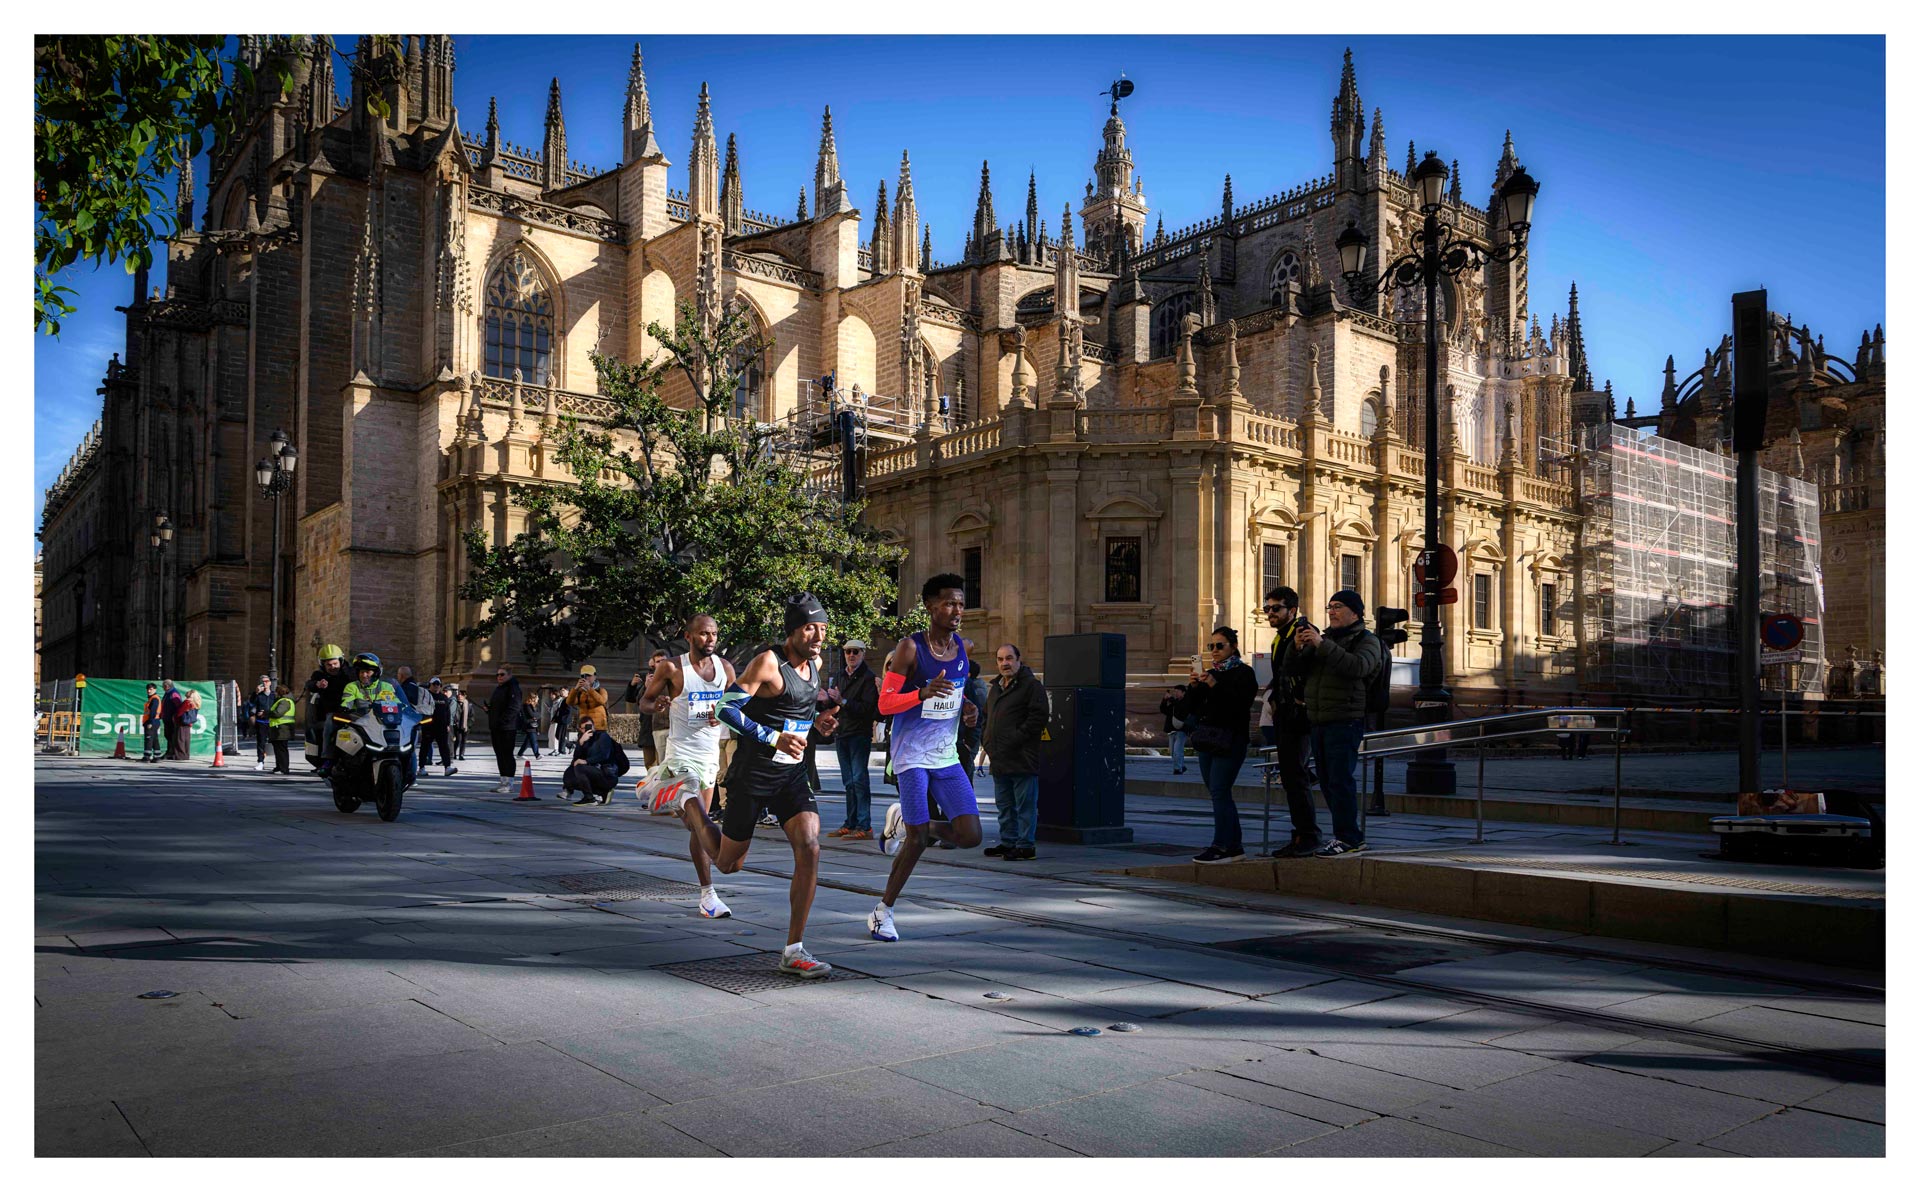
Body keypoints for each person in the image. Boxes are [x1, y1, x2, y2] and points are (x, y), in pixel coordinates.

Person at [657, 593, 840, 977]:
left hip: (790, 775)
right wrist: (774, 739)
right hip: (752, 775)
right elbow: (725, 709)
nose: (818, 635)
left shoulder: (816, 664)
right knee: (728, 863)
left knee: (810, 845)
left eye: (822, 628)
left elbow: (795, 716)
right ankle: (691, 802)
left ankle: (794, 950)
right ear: (792, 630)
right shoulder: (768, 663)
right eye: (810, 627)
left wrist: (817, 725)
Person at [868, 574, 986, 942]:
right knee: (917, 843)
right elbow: (885, 704)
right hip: (911, 755)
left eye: (961, 604)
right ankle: (882, 911)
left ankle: (904, 823)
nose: (957, 610)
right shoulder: (909, 649)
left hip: (945, 755)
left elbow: (955, 693)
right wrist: (920, 693)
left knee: (970, 836)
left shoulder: (963, 648)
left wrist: (967, 709)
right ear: (930, 607)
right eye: (949, 603)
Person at [639, 614, 737, 918]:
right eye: (704, 634)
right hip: (681, 755)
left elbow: (738, 702)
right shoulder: (671, 667)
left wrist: (722, 713)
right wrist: (656, 705)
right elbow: (645, 700)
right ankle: (719, 869)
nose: (710, 639)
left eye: (714, 634)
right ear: (689, 636)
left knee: (698, 825)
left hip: (709, 758)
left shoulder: (726, 668)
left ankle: (707, 895)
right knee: (698, 815)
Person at [1283, 589, 1386, 857]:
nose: (1331, 611)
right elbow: (1292, 670)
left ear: (1355, 611)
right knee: (1328, 783)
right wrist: (1296, 647)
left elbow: (1358, 668)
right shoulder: (1325, 640)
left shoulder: (1367, 640)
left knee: (1340, 781)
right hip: (1318, 719)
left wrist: (1321, 644)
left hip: (1345, 720)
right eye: (1329, 606)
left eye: (1338, 606)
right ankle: (1343, 836)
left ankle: (1350, 838)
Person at [1175, 626, 1259, 864]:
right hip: (1207, 741)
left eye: (1220, 645)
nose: (1214, 651)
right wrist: (1192, 688)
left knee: (1220, 791)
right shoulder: (1208, 675)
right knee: (1217, 793)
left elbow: (1239, 706)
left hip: (1231, 740)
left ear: (1233, 646)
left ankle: (1221, 845)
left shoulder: (1244, 673)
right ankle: (1234, 846)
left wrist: (1214, 684)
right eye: (1211, 646)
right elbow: (1183, 712)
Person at [1263, 586, 1322, 858]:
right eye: (1267, 608)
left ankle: (1307, 836)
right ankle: (1300, 834)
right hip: (1285, 714)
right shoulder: (1282, 636)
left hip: (1298, 716)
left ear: (1293, 610)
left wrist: (1293, 698)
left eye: (1276, 608)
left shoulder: (1302, 633)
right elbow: (1281, 673)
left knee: (1295, 777)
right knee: (1291, 777)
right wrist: (1273, 694)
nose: (1270, 613)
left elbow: (1304, 670)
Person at [982, 643, 1048, 860]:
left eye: (1009, 658)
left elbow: (1038, 719)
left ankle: (1026, 845)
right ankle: (1008, 841)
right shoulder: (996, 687)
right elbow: (987, 718)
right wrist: (987, 741)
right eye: (1000, 659)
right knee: (1004, 805)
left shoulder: (1031, 686)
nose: (1005, 663)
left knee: (1024, 806)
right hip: (1000, 758)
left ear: (1019, 660)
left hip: (1021, 757)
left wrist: (1014, 739)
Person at [825, 639, 880, 840]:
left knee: (859, 780)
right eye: (848, 651)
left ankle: (865, 826)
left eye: (855, 651)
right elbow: (836, 705)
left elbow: (868, 710)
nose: (851, 655)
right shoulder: (840, 675)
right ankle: (851, 823)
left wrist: (843, 701)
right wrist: (827, 700)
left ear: (863, 653)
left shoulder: (868, 678)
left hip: (859, 734)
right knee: (848, 782)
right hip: (842, 733)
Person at [563, 720, 631, 805]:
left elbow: (604, 756)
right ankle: (602, 793)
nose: (588, 730)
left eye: (590, 726)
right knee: (569, 775)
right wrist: (580, 743)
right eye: (584, 728)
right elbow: (575, 760)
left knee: (580, 768)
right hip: (593, 772)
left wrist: (586, 761)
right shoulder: (583, 739)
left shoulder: (602, 737)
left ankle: (589, 798)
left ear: (594, 726)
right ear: (580, 729)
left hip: (607, 774)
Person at [304, 644, 348, 773]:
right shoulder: (319, 675)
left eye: (335, 664)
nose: (332, 667)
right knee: (328, 728)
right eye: (329, 665)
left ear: (340, 661)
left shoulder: (350, 673)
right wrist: (317, 684)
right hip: (332, 712)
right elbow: (310, 684)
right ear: (323, 665)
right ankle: (327, 759)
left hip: (352, 711)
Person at [625, 651, 669, 769]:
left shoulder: (673, 678)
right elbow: (637, 700)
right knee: (650, 765)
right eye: (658, 661)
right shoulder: (649, 678)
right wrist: (645, 686)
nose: (661, 664)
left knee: (664, 766)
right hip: (648, 727)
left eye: (663, 661)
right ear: (652, 664)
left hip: (666, 727)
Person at [485, 664, 524, 795]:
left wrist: (503, 721)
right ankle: (503, 781)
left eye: (502, 674)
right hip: (496, 727)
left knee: (507, 755)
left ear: (509, 675)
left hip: (507, 727)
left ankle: (509, 783)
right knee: (499, 755)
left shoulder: (513, 688)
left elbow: (514, 707)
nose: (499, 677)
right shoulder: (499, 688)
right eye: (498, 675)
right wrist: (490, 710)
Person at [956, 639, 990, 779]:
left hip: (960, 746)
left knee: (962, 794)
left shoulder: (968, 684)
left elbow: (979, 715)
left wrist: (968, 744)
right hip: (933, 749)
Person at [420, 677, 457, 777]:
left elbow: (447, 712)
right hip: (428, 726)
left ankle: (447, 767)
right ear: (430, 685)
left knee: (444, 747)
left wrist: (448, 724)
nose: (436, 686)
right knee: (425, 747)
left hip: (441, 727)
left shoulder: (443, 698)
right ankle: (421, 767)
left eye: (438, 684)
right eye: (434, 684)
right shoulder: (426, 696)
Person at [567, 665, 609, 735]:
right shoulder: (580, 692)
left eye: (589, 675)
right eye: (583, 676)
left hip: (598, 727)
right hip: (584, 726)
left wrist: (589, 689)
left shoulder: (601, 690)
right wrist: (575, 689)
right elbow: (569, 702)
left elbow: (602, 701)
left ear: (595, 676)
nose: (586, 678)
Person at [1160, 684, 1190, 774]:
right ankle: (1182, 766)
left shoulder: (1186, 702)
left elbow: (1181, 708)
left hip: (1181, 730)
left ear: (1183, 693)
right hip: (1171, 729)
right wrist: (1164, 700)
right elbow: (1164, 710)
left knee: (1177, 751)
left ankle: (1177, 769)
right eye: (1175, 692)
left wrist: (1171, 699)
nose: (1175, 693)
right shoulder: (1174, 703)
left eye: (1177, 691)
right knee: (1173, 752)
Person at [247, 675, 275, 771]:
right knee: (261, 743)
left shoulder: (274, 695)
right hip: (261, 721)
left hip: (272, 721)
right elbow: (251, 704)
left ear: (270, 682)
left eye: (266, 681)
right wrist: (256, 693)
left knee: (276, 743)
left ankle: (279, 763)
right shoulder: (258, 695)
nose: (264, 683)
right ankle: (260, 762)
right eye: (262, 682)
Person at [267, 684, 297, 773]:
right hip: (280, 728)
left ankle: (284, 768)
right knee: (278, 749)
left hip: (282, 728)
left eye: (276, 691)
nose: (275, 693)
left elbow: (278, 713)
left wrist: (267, 713)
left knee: (281, 749)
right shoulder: (283, 700)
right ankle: (279, 766)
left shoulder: (284, 701)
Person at [161, 679, 188, 760]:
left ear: (167, 686)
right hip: (167, 718)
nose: (163, 688)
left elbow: (178, 706)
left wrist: (174, 716)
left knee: (171, 735)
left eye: (164, 686)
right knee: (168, 735)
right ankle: (170, 751)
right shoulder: (168, 693)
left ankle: (172, 752)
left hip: (171, 719)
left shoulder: (173, 693)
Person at [140, 682, 163, 762]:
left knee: (148, 739)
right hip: (155, 721)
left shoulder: (154, 699)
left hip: (152, 721)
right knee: (154, 739)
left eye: (151, 689)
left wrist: (150, 722)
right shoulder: (152, 699)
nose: (149, 691)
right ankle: (157, 756)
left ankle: (147, 756)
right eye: (148, 689)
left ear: (155, 689)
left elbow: (153, 711)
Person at [516, 690, 541, 758]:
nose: (538, 699)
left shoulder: (534, 706)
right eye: (537, 697)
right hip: (529, 725)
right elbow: (532, 714)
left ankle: (520, 754)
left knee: (527, 741)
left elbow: (539, 715)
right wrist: (534, 717)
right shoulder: (527, 705)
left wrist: (535, 717)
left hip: (533, 725)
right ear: (533, 698)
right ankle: (537, 754)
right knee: (534, 740)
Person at [448, 685, 470, 760]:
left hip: (465, 726)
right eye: (459, 694)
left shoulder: (468, 705)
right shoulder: (455, 704)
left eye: (462, 695)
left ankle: (461, 755)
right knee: (457, 740)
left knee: (464, 741)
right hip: (457, 726)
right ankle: (454, 753)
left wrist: (468, 725)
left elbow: (471, 717)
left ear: (465, 696)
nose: (460, 696)